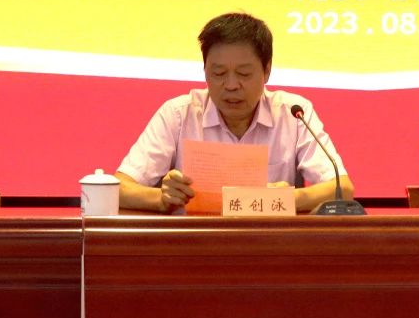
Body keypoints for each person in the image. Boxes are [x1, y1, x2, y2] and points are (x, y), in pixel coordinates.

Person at [115, 12, 354, 213]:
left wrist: (286, 199)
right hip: (194, 246)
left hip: (271, 246)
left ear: (267, 71)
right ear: (205, 70)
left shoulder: (293, 113)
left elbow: (342, 188)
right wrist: (161, 197)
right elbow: (119, 188)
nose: (231, 85)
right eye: (219, 73)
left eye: (243, 74)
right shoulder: (179, 115)